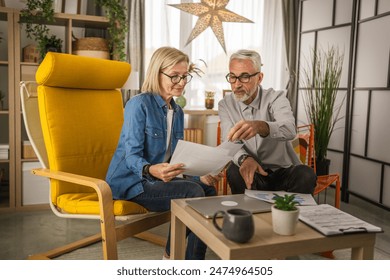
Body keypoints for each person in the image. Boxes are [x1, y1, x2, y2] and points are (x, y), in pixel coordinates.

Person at [106, 46, 220, 260]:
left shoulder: (177, 111)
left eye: (185, 76)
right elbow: (131, 156)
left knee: (208, 190)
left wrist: (199, 176)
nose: (182, 82)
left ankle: (191, 262)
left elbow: (177, 159)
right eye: (174, 76)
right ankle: (172, 258)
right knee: (193, 193)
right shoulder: (138, 104)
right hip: (131, 183)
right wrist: (150, 169)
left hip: (156, 180)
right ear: (157, 73)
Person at [218, 49, 316, 195]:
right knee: (234, 169)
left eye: (244, 77)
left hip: (282, 172)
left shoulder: (276, 98)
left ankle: (292, 215)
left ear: (259, 77)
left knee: (306, 174)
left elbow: (290, 130)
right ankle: (245, 215)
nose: (236, 84)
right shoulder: (225, 104)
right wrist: (245, 159)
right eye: (232, 77)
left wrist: (261, 126)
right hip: (252, 174)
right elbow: (229, 142)